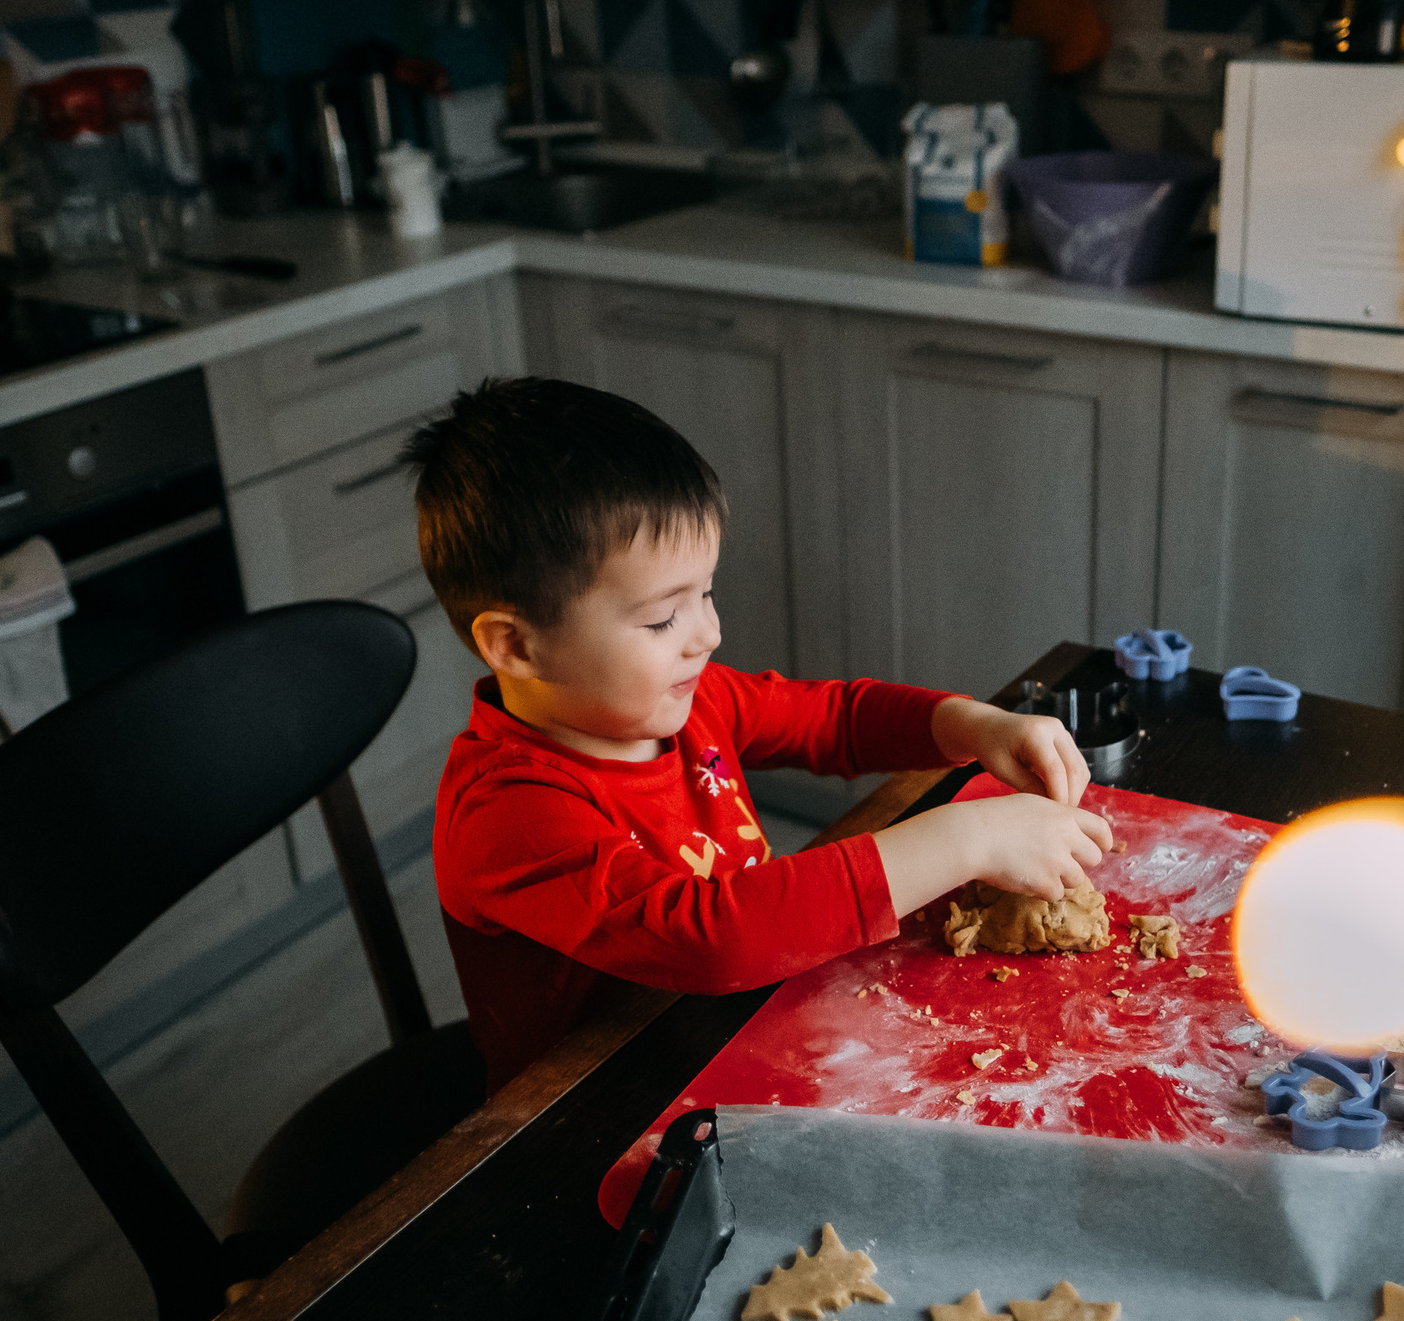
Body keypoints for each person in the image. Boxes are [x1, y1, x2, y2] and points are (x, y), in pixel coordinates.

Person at [403, 379, 1113, 1087]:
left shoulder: (686, 698)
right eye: (661, 619)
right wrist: (967, 839)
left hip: (735, 1029)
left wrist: (970, 723)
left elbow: (836, 719)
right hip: (598, 1110)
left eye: (705, 594)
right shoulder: (506, 809)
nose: (707, 634)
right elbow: (710, 934)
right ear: (516, 646)